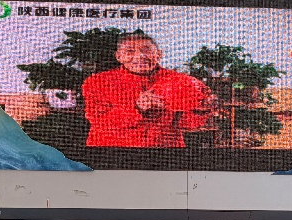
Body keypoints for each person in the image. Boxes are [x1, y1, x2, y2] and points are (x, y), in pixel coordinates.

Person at [82, 32, 213, 148]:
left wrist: (201, 110)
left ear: (159, 54)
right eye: (130, 51)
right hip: (111, 150)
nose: (140, 56)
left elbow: (185, 124)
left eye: (147, 50)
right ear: (118, 56)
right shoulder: (97, 82)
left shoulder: (182, 81)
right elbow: (99, 121)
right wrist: (137, 108)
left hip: (165, 151)